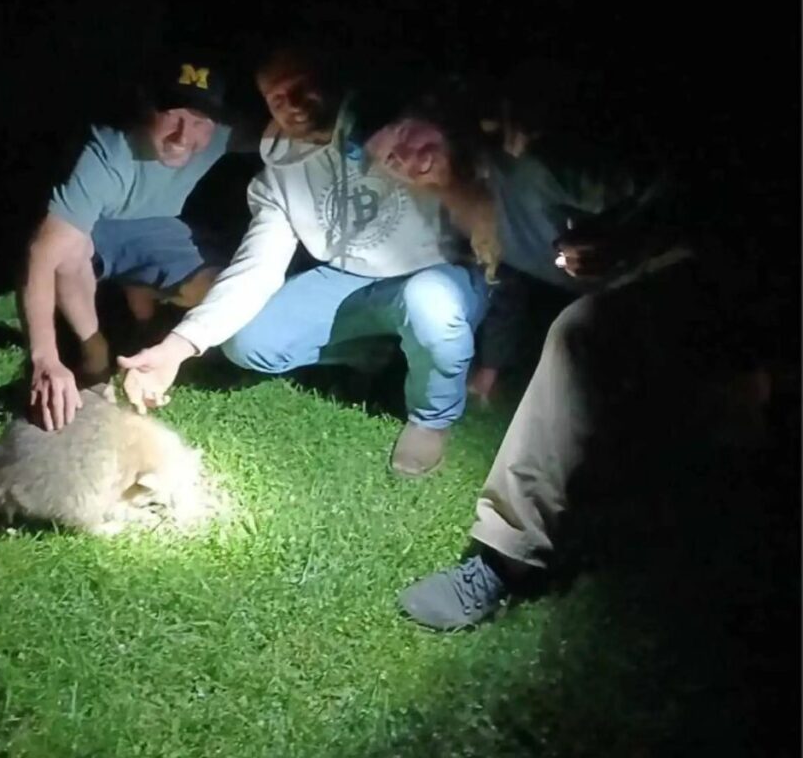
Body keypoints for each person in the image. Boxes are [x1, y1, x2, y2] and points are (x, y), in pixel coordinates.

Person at [365, 76, 719, 627]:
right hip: (635, 302)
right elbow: (506, 282)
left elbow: (682, 197)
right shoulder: (471, 213)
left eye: (406, 135)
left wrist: (626, 241)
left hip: (697, 275)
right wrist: (490, 365)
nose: (407, 157)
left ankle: (501, 559)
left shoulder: (536, 168)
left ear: (441, 120)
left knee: (578, 332)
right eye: (391, 160)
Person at [117, 46, 493, 476]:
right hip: (345, 278)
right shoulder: (279, 174)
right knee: (248, 342)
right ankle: (374, 352)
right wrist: (176, 348)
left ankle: (432, 419)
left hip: (435, 272)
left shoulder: (401, 129)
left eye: (302, 88)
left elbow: (491, 216)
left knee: (432, 303)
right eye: (277, 97)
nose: (292, 104)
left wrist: (449, 181)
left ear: (331, 81)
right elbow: (254, 270)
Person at [21, 54, 248, 431]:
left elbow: (290, 135)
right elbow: (41, 255)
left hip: (154, 227)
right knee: (67, 252)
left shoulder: (221, 135)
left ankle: (141, 303)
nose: (183, 135)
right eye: (172, 114)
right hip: (96, 229)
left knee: (220, 288)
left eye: (199, 121)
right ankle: (95, 354)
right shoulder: (106, 151)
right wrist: (45, 357)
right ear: (147, 106)